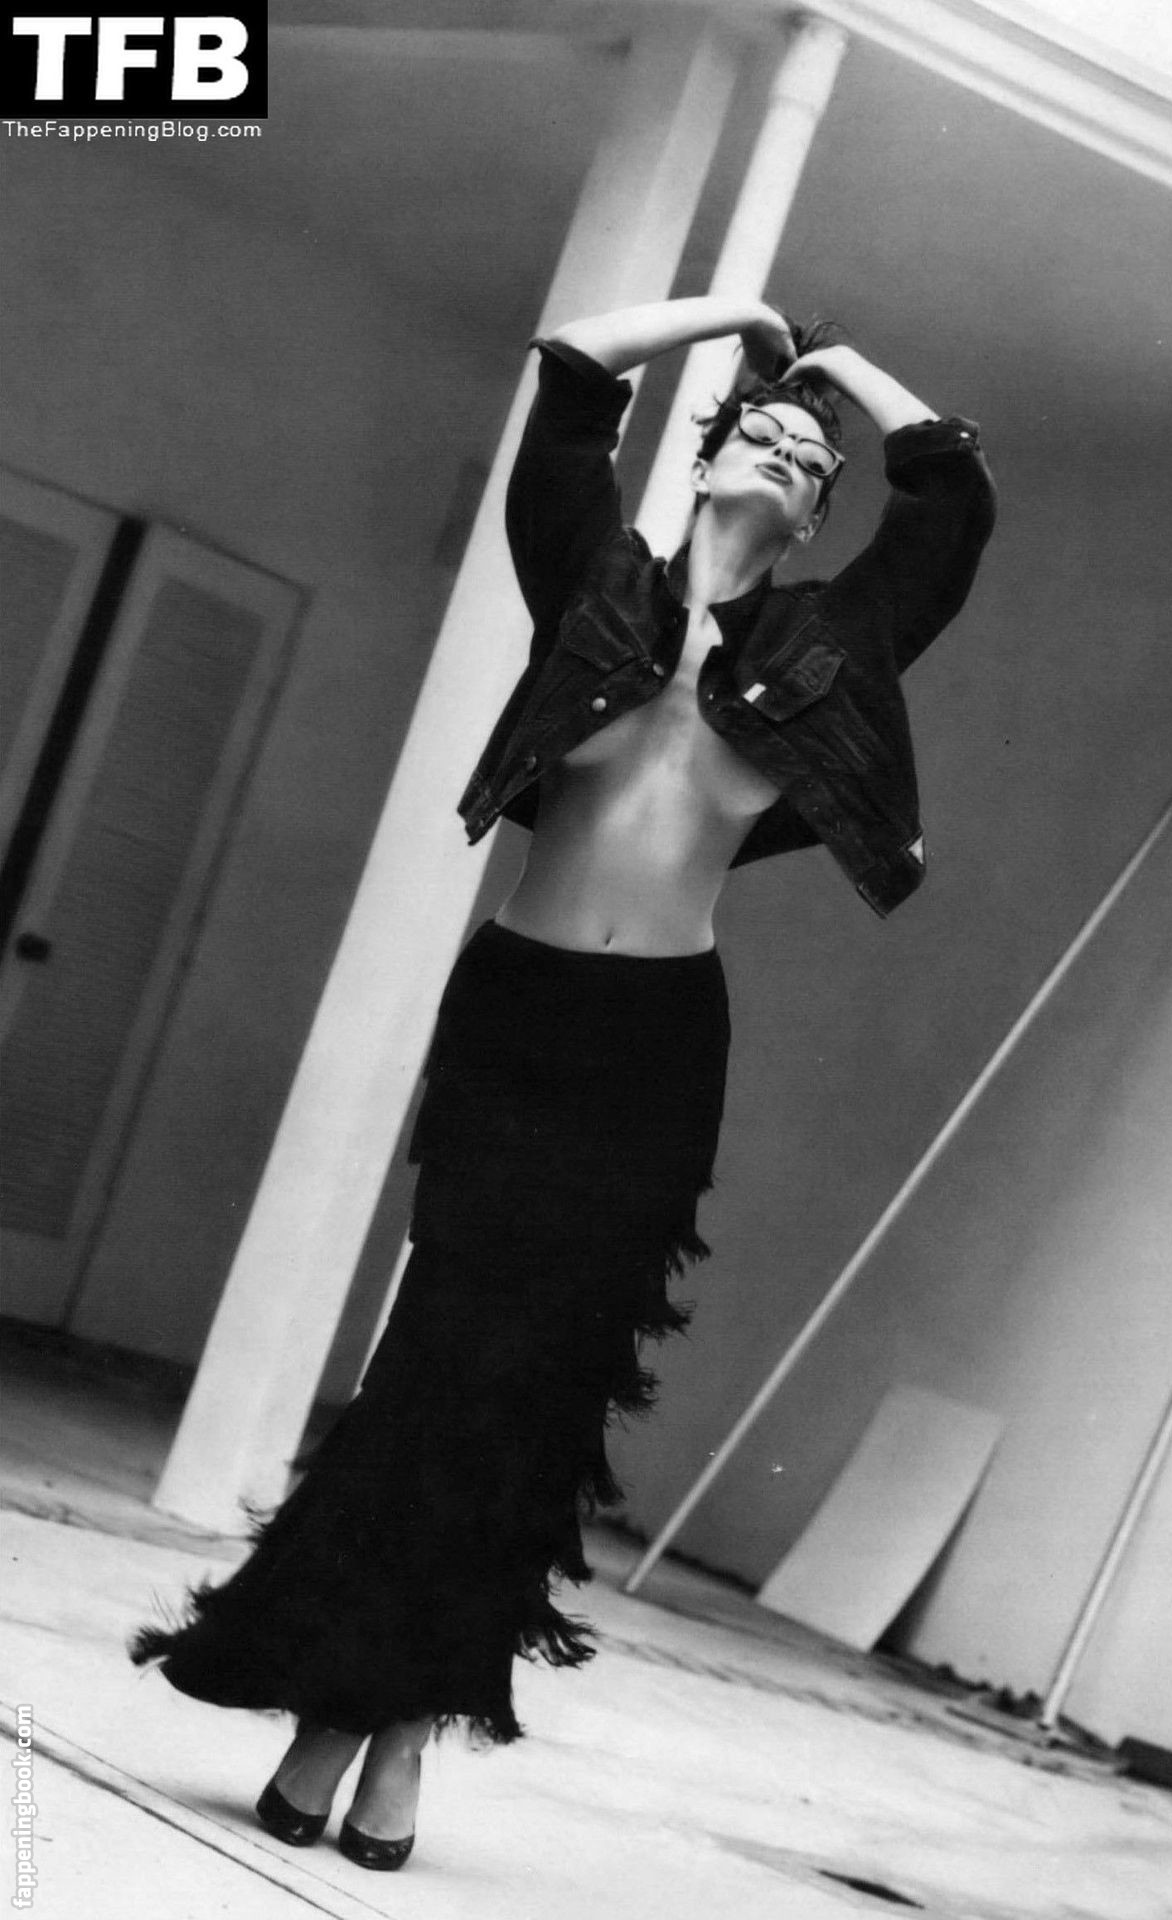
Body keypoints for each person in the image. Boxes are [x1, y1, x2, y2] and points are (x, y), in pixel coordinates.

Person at [129, 295, 996, 1872]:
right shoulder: (593, 580)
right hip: (518, 1020)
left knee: (538, 1398)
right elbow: (581, 372)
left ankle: (400, 1728)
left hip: (653, 1048)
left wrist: (830, 374)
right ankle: (336, 1705)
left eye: (809, 458)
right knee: (438, 1373)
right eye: (758, 430)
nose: (784, 451)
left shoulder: (826, 642)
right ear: (707, 458)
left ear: (816, 513)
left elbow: (949, 493)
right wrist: (744, 318)